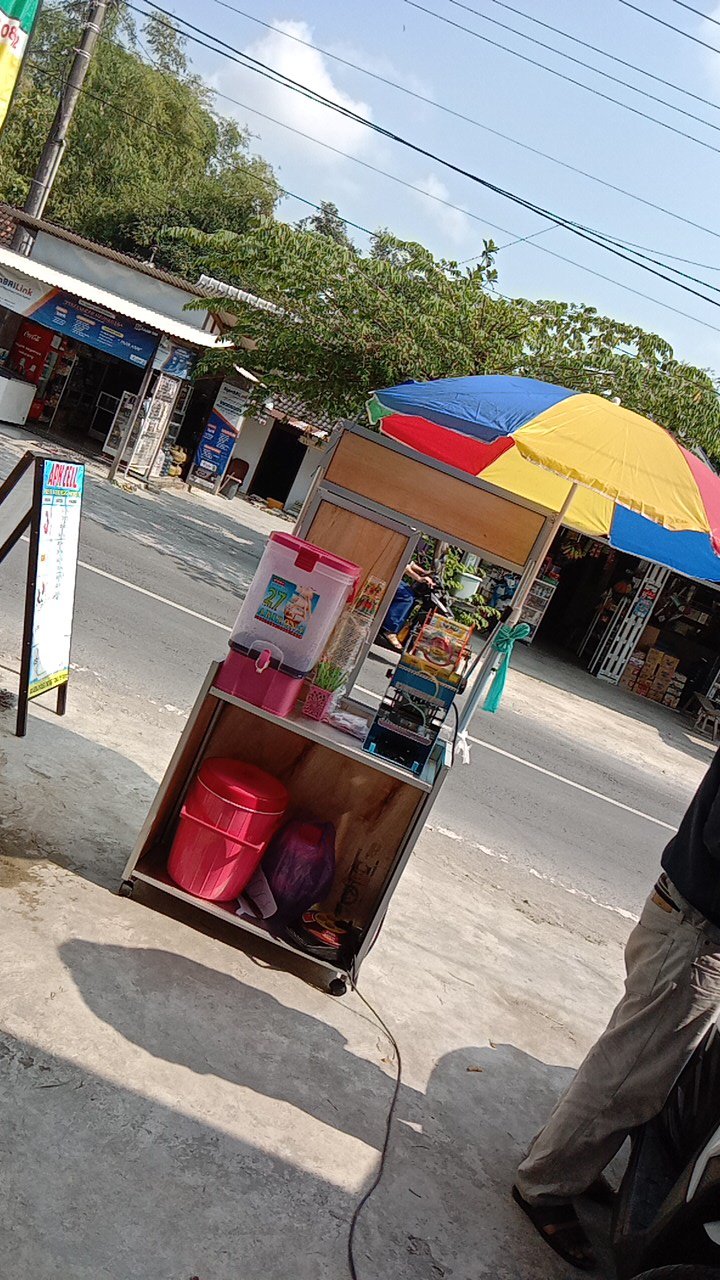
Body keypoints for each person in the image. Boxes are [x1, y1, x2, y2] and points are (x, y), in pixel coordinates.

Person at [513, 747, 720, 1271]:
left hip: (693, 925)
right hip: (696, 931)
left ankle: (564, 1163)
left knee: (634, 1069)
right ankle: (544, 1186)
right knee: (628, 1077)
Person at [380, 561, 436, 651]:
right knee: (407, 597)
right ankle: (389, 630)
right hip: (388, 574)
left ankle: (394, 627)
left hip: (394, 576)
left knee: (412, 596)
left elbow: (410, 563)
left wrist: (425, 572)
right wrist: (419, 578)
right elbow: (405, 567)